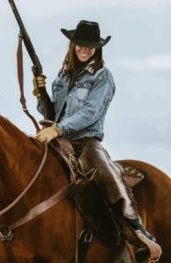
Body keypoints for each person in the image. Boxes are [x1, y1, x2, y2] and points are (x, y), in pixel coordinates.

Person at [33, 20, 162, 260]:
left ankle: (137, 231)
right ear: (73, 45)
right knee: (22, 160)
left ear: (97, 48)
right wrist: (40, 95)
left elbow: (89, 113)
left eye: (90, 46)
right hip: (58, 139)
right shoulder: (62, 77)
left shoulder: (103, 77)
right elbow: (52, 113)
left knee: (105, 172)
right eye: (81, 45)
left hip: (85, 142)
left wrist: (59, 129)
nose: (85, 50)